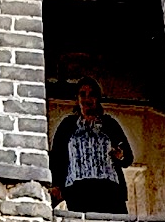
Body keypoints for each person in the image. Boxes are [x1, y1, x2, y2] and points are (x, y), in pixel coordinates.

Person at [50, 79, 133, 213]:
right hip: (77, 191)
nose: (87, 99)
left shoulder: (110, 124)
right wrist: (57, 186)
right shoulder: (67, 126)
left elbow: (128, 158)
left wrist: (120, 155)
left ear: (98, 99)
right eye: (83, 94)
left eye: (92, 94)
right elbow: (57, 159)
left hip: (109, 190)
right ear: (77, 99)